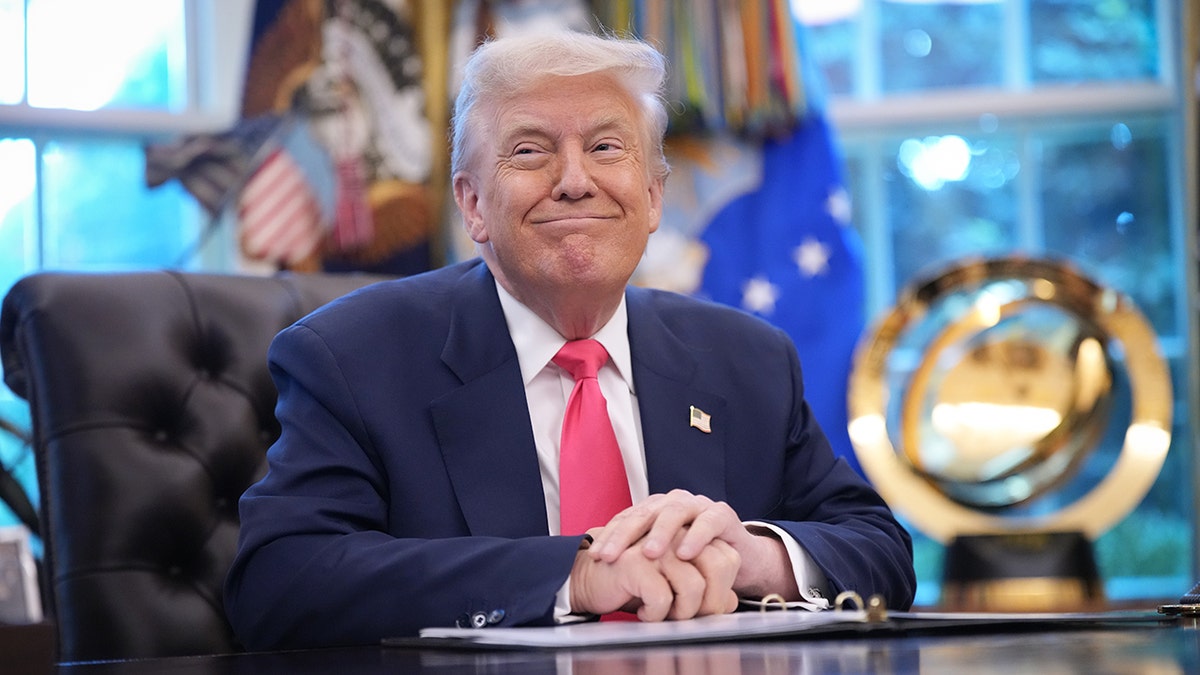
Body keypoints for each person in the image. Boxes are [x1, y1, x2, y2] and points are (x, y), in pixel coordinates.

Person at [224, 29, 915, 651]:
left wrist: (754, 554)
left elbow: (880, 549)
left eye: (606, 148)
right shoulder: (351, 356)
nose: (575, 181)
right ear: (472, 203)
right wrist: (574, 573)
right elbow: (281, 580)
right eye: (530, 151)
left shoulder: (748, 358)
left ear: (651, 198)